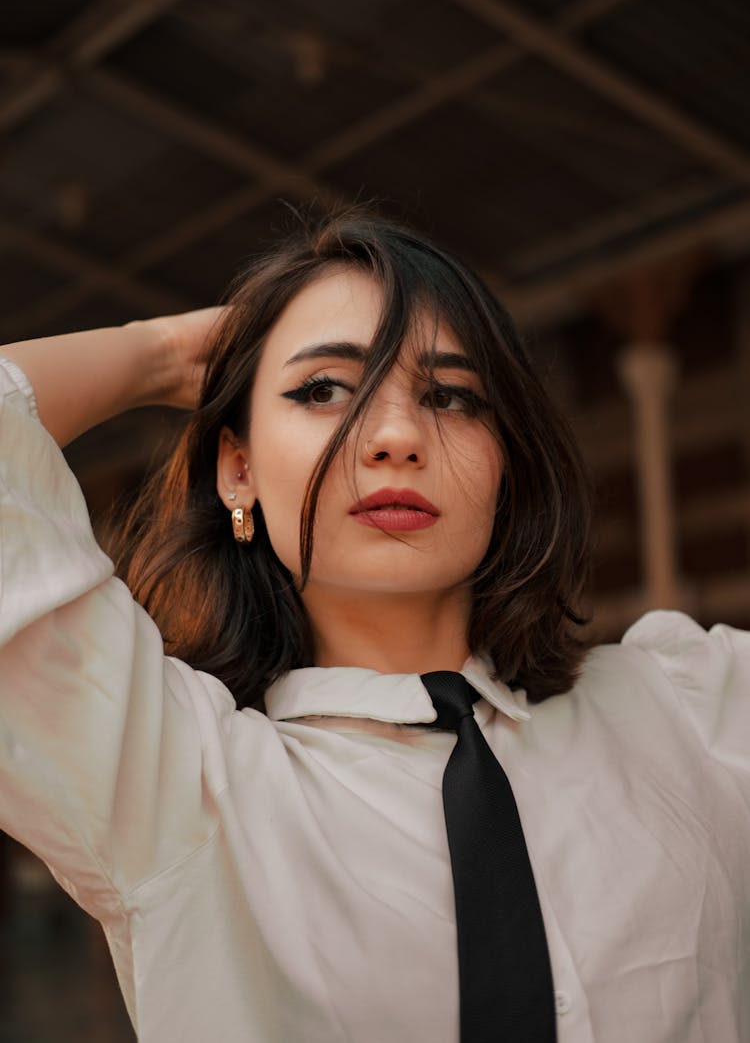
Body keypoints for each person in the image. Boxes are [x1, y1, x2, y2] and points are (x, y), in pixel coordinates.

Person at [0, 210, 747, 1043]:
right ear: (237, 466)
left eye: (452, 396)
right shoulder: (177, 782)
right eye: (323, 390)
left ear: (507, 462)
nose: (395, 437)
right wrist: (161, 353)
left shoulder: (695, 704)